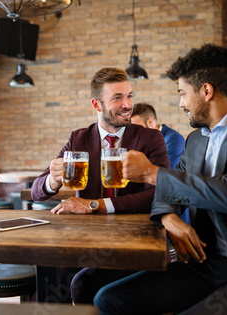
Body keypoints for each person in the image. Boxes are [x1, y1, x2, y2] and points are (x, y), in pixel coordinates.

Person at [94, 43, 227, 314]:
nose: (180, 103)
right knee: (109, 299)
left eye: (182, 93)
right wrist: (169, 218)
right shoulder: (196, 140)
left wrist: (151, 173)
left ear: (206, 91)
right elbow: (168, 191)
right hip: (208, 263)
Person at [30, 67, 170, 304]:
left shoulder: (150, 138)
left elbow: (161, 193)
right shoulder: (79, 139)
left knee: (81, 283)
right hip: (87, 241)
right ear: (97, 104)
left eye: (129, 96)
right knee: (49, 282)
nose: (127, 104)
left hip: (135, 241)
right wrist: (52, 181)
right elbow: (36, 192)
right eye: (117, 98)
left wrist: (94, 205)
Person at [131, 102, 185, 170]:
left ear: (150, 122)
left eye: (137, 127)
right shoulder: (142, 140)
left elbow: (166, 171)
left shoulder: (175, 139)